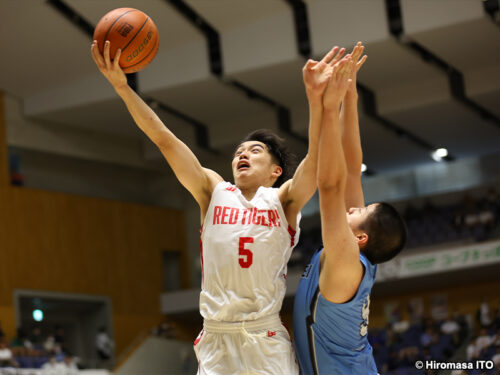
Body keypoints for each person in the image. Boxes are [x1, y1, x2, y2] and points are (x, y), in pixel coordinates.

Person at [91, 39, 346, 374]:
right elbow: (164, 138)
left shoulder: (283, 200)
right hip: (216, 338)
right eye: (239, 151)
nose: (243, 154)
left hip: (263, 337)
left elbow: (317, 158)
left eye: (255, 150)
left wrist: (319, 103)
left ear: (275, 172)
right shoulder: (213, 190)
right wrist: (123, 88)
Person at [293, 42, 407, 374]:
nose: (352, 208)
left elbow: (330, 186)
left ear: (360, 237)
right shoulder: (354, 255)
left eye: (359, 211)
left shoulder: (346, 260)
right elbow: (352, 167)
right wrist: (350, 94)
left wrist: (330, 108)